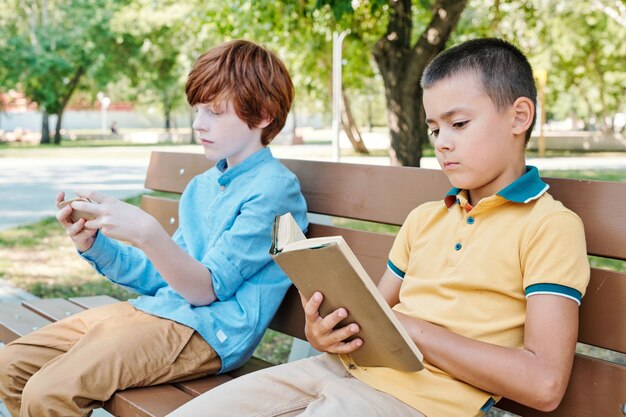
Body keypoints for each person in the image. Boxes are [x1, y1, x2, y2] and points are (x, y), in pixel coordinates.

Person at [166, 38, 590, 417]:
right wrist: (326, 331)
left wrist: (419, 332)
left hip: (418, 401)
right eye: (434, 128)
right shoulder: (426, 218)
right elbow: (375, 314)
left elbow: (544, 385)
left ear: (519, 117)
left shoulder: (549, 226)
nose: (441, 142)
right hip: (333, 371)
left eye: (458, 124)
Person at [0, 39, 308, 417]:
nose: (198, 124)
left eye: (214, 111)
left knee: (49, 393)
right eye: (197, 110)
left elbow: (205, 290)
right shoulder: (203, 186)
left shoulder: (275, 189)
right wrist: (94, 245)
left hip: (206, 333)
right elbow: (162, 276)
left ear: (263, 114)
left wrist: (147, 232)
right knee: (11, 365)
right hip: (155, 312)